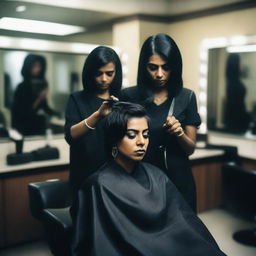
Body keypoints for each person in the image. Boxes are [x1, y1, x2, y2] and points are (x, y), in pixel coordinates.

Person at [72, 101, 226, 256]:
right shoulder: (99, 185)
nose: (141, 142)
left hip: (166, 246)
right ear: (114, 139)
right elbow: (100, 241)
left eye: (145, 135)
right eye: (132, 135)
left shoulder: (156, 175)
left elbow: (183, 223)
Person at [121, 33, 201, 212]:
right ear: (144, 67)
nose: (159, 74)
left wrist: (179, 133)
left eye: (166, 67)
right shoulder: (128, 96)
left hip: (179, 180)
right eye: (153, 67)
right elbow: (119, 142)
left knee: (182, 235)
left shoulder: (186, 97)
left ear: (175, 67)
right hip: (141, 180)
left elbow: (190, 148)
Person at [64, 46, 122, 219]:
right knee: (87, 228)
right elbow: (70, 135)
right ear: (89, 73)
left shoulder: (122, 99)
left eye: (109, 73)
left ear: (116, 73)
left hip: (116, 177)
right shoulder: (77, 99)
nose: (104, 79)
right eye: (98, 73)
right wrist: (97, 115)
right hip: (84, 176)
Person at [11, 54, 59, 136]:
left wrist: (58, 114)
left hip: (35, 127)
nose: (37, 69)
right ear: (28, 67)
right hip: (23, 127)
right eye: (34, 66)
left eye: (39, 66)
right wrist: (39, 98)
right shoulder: (22, 87)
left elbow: (44, 107)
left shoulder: (41, 85)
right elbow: (24, 112)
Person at [224, 53, 250, 133]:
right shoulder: (233, 83)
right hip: (237, 120)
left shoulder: (232, 81)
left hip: (238, 119)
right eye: (239, 63)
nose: (241, 65)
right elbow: (234, 105)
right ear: (235, 65)